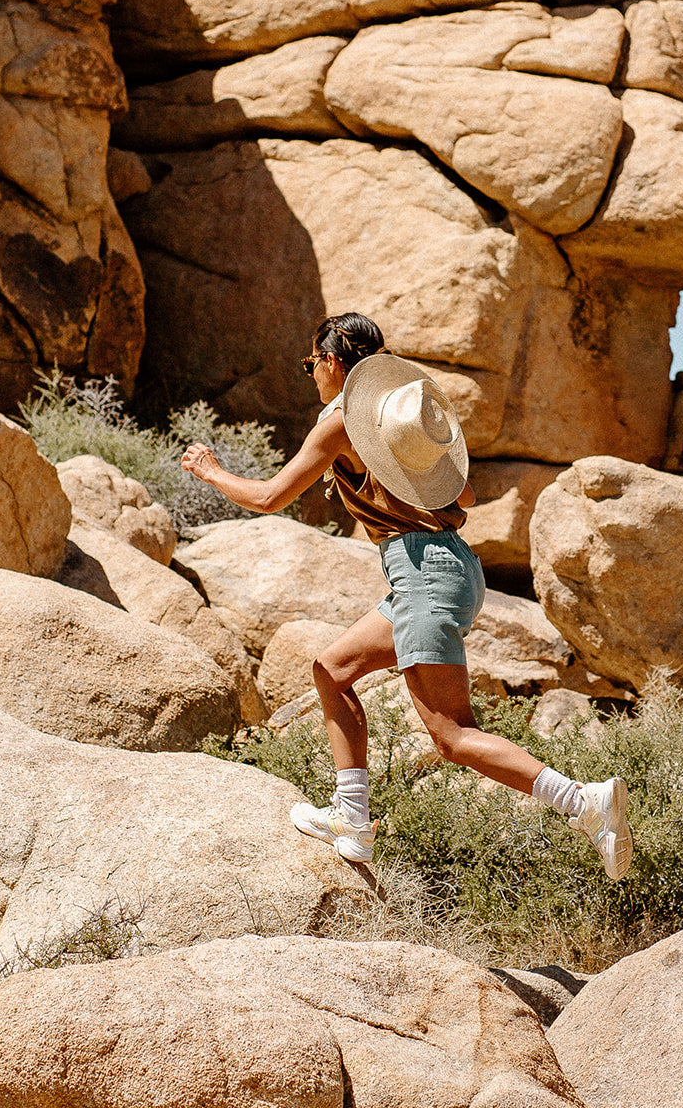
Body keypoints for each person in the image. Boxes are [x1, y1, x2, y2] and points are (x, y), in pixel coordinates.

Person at [181, 311, 633, 881]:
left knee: (452, 735)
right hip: (452, 567)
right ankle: (352, 820)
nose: (311, 376)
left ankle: (584, 803)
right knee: (331, 669)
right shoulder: (399, 421)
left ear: (332, 361)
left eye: (310, 364)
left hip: (421, 572)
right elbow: (463, 493)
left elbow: (271, 496)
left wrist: (210, 471)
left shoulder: (344, 418)